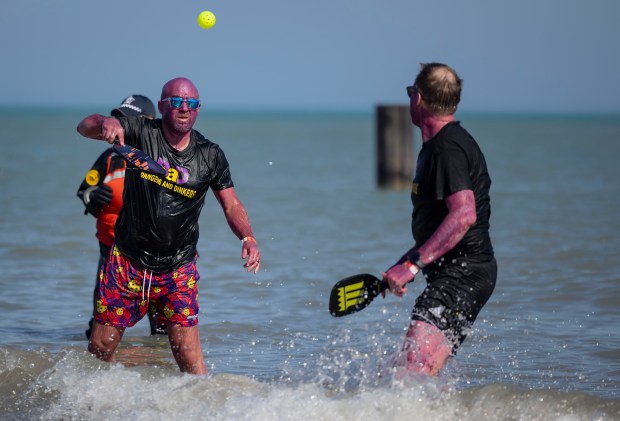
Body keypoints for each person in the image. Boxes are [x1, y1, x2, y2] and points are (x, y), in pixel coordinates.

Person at [76, 77, 261, 375]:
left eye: (191, 103)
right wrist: (104, 123)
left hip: (178, 267)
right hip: (127, 260)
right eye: (176, 102)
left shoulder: (210, 155)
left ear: (199, 109)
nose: (184, 108)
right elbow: (84, 126)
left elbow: (232, 204)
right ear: (163, 106)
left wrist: (247, 236)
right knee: (101, 346)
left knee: (187, 353)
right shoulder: (140, 132)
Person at [382, 63, 496, 376]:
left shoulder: (447, 148)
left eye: (409, 92)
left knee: (410, 373)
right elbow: (440, 227)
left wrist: (411, 266)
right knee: (400, 375)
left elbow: (464, 215)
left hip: (464, 274)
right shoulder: (439, 146)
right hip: (458, 272)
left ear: (417, 99)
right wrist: (403, 265)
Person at [77, 95, 168, 339]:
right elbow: (84, 190)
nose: (120, 126)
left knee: (162, 329)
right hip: (110, 250)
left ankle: (159, 371)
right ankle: (97, 370)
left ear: (147, 123)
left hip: (150, 254)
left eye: (127, 121)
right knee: (100, 322)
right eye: (118, 119)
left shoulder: (160, 159)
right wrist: (93, 197)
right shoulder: (108, 158)